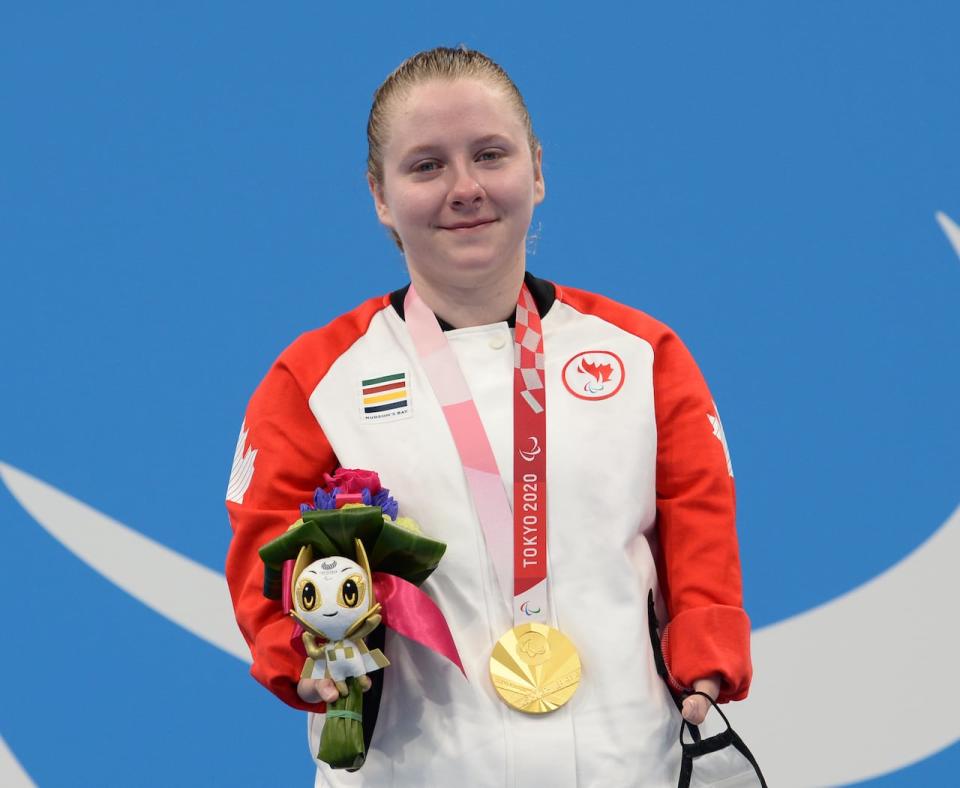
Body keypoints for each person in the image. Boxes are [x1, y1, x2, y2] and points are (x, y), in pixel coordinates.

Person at [225, 46, 753, 787]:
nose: (465, 188)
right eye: (427, 166)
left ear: (537, 169)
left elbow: (697, 524)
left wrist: (706, 657)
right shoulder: (314, 380)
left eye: (490, 154)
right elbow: (267, 550)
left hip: (626, 759)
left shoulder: (642, 354)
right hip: (416, 768)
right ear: (380, 196)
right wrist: (298, 657)